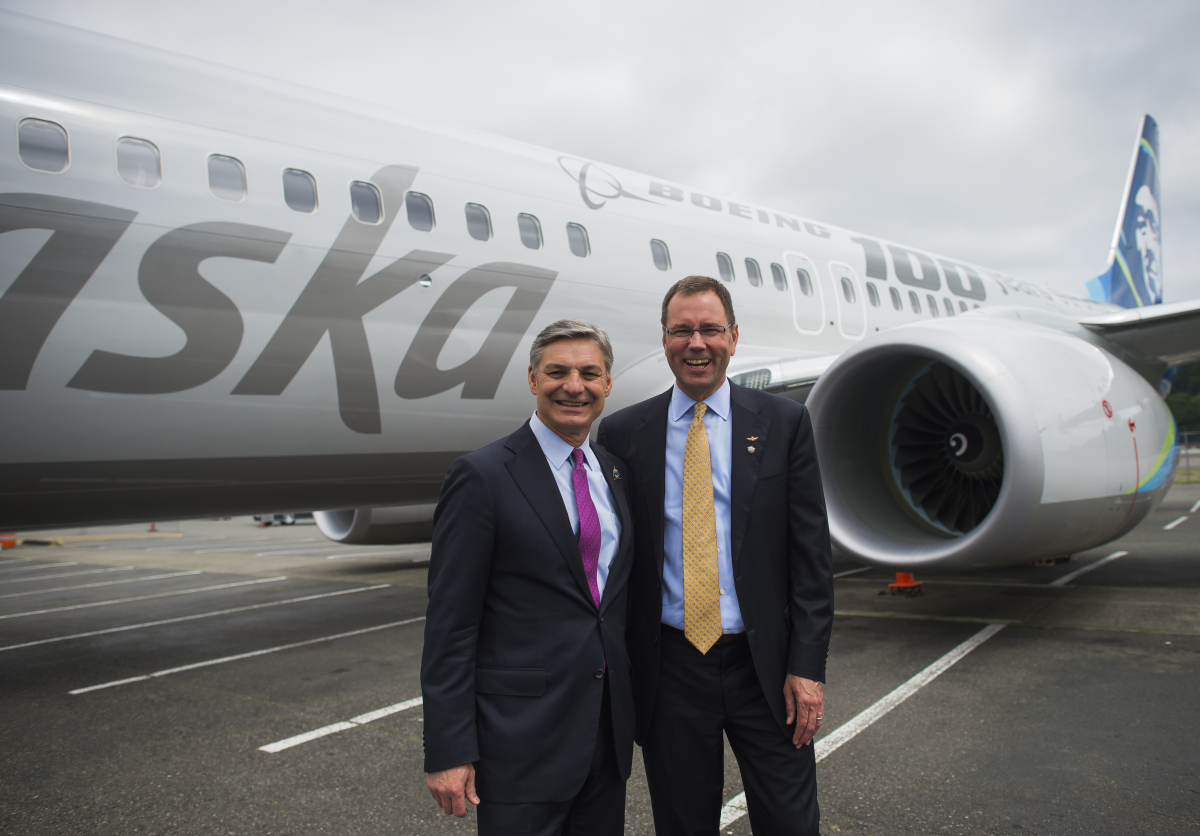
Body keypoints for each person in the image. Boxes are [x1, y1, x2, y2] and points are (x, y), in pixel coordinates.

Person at [597, 276, 834, 836]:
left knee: (791, 824)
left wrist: (806, 668)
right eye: (682, 330)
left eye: (709, 329)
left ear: (733, 337)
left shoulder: (782, 423)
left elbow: (810, 559)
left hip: (767, 668)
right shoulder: (625, 432)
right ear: (665, 340)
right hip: (673, 667)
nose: (696, 343)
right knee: (683, 824)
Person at [421, 319, 635, 836]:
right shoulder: (483, 475)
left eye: (590, 373)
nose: (573, 386)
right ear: (533, 379)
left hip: (604, 738)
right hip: (519, 743)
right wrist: (448, 749)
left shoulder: (612, 471)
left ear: (607, 384)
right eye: (557, 372)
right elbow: (451, 625)